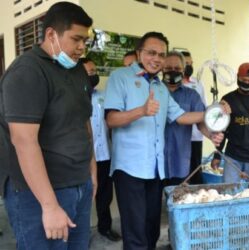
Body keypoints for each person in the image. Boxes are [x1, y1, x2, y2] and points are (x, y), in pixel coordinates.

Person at [104, 31, 223, 249]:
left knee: (152, 228)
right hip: (129, 169)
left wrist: (215, 113)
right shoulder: (120, 77)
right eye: (151, 52)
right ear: (140, 53)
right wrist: (141, 111)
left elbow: (182, 116)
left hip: (155, 170)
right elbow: (111, 119)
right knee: (135, 231)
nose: (157, 59)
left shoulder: (160, 88)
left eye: (161, 54)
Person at [0, 2, 96, 249]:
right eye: (76, 39)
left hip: (79, 184)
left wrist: (91, 174)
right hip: (40, 194)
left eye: (85, 40)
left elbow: (83, 121)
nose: (81, 47)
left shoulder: (77, 71)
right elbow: (24, 141)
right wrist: (50, 205)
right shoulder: (27, 71)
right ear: (51, 34)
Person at [163, 51, 218, 185]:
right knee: (152, 203)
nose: (173, 71)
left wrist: (211, 135)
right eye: (168, 68)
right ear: (162, 69)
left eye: (177, 69)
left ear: (183, 70)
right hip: (155, 161)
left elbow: (200, 121)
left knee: (178, 199)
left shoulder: (192, 95)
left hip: (180, 158)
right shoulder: (153, 90)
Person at [81, 58, 120, 241]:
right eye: (88, 72)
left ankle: (105, 227)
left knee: (105, 195)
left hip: (104, 154)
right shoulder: (74, 98)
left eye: (94, 70)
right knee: (82, 197)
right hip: (83, 158)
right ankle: (81, 234)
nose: (93, 74)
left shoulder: (103, 96)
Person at [181, 51, 207, 184]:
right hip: (178, 137)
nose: (189, 66)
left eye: (191, 63)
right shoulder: (172, 85)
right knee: (181, 173)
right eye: (186, 63)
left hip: (196, 135)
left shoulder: (198, 84)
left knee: (195, 170)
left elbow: (204, 108)